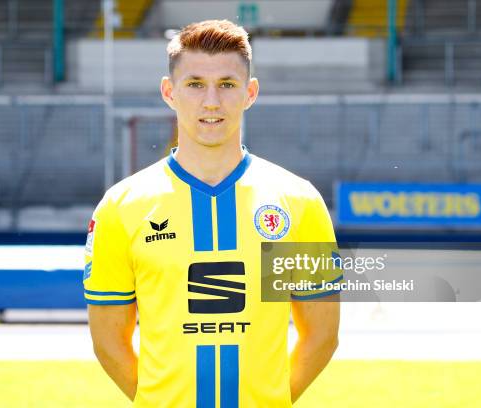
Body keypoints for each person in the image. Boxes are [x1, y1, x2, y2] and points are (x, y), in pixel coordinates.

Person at [84, 19, 341, 407]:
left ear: (249, 93)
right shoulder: (122, 207)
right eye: (195, 85)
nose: (211, 103)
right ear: (169, 92)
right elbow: (108, 340)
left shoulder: (297, 201)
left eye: (226, 85)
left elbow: (321, 335)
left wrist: (272, 401)